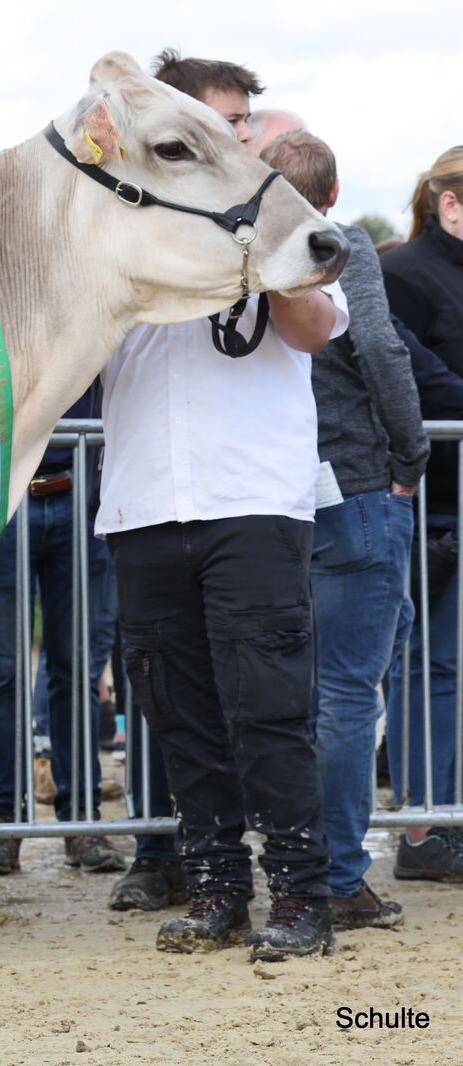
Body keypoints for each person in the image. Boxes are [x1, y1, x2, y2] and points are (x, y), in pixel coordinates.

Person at [103, 51, 345, 961]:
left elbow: (316, 327)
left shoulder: (293, 223)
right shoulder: (121, 228)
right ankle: (213, 886)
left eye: (247, 121)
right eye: (227, 120)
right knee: (184, 718)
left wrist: (264, 252)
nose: (243, 135)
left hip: (253, 502)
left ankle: (302, 893)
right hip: (142, 504)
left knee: (270, 710)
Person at [261, 131, 427, 928]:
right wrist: (413, 454)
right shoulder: (343, 244)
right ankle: (337, 874)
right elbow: (380, 350)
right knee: (346, 694)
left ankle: (289, 866)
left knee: (287, 694)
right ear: (330, 198)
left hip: (271, 495)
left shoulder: (245, 246)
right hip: (356, 484)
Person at [0, 385, 127, 878]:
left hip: (82, 486)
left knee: (77, 670)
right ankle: (1, 825)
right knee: (2, 673)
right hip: (2, 494)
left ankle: (81, 819)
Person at [381, 146, 463, 881]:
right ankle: (419, 828)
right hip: (431, 504)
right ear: (451, 204)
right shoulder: (403, 273)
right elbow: (417, 383)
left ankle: (450, 816)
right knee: (426, 664)